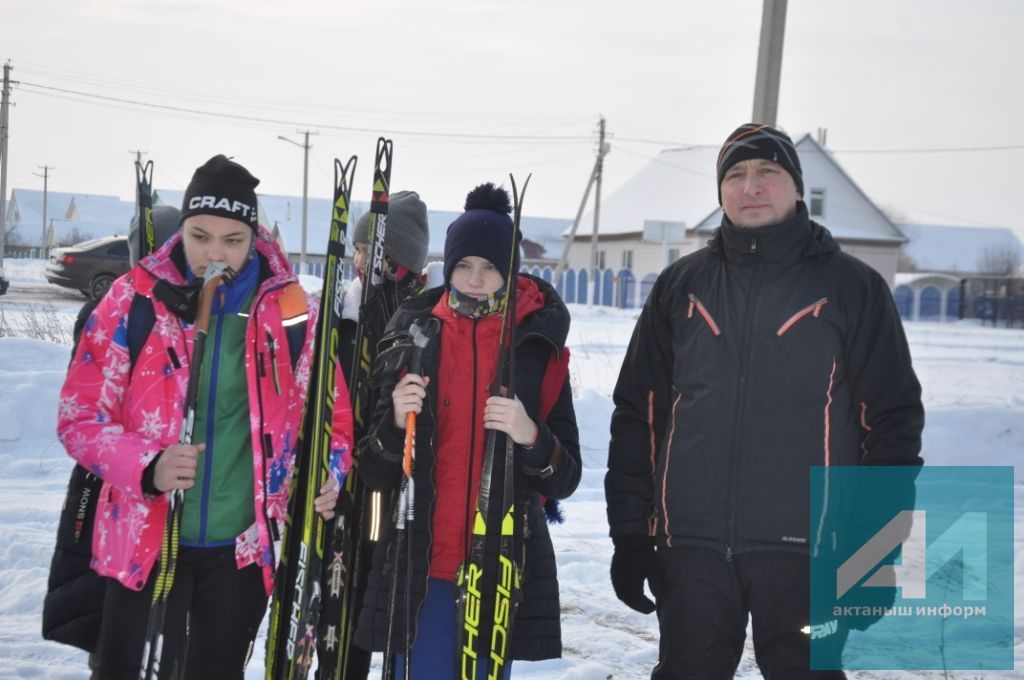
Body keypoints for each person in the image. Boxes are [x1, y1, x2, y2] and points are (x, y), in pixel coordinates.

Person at [605, 123, 924, 679]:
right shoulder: (682, 286)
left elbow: (892, 426)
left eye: (767, 172)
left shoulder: (852, 288)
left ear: (795, 187)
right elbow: (639, 416)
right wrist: (631, 534)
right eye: (735, 175)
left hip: (812, 556)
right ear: (720, 192)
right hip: (693, 550)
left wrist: (873, 558)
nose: (750, 186)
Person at [57, 155, 353, 680]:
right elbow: (79, 418)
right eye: (200, 236)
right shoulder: (133, 301)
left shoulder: (290, 309)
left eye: (232, 240)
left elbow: (333, 414)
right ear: (182, 231)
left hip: (242, 548)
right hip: (144, 540)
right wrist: (147, 465)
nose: (214, 253)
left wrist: (330, 471)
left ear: (254, 236)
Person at [352, 183, 581, 678]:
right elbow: (372, 469)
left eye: (491, 267)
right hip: (422, 566)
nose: (476, 280)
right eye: (464, 265)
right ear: (448, 266)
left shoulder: (537, 345)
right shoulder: (410, 334)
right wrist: (394, 423)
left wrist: (530, 435)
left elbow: (565, 477)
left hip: (497, 570)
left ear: (510, 271)